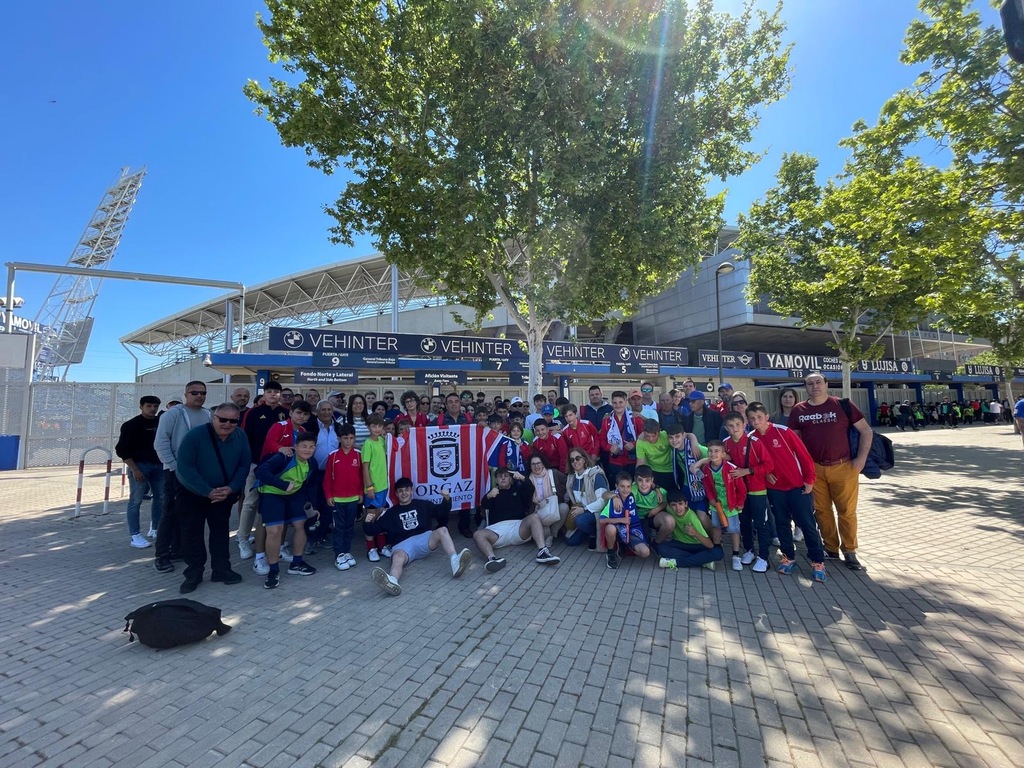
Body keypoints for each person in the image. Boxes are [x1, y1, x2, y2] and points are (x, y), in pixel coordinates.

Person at [788, 372, 871, 570]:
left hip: (844, 467)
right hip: (814, 469)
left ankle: (850, 550)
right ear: (805, 387)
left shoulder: (842, 405)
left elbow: (866, 431)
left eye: (818, 382)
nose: (814, 386)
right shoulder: (799, 410)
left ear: (826, 384)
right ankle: (831, 548)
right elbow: (795, 442)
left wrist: (861, 459)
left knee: (847, 512)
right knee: (822, 511)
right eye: (810, 383)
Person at [174, 402, 251, 593]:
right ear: (213, 418)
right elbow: (185, 467)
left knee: (220, 532)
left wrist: (232, 488)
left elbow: (244, 464)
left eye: (233, 420)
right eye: (223, 419)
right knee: (192, 534)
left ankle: (221, 569)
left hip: (223, 493)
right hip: (193, 493)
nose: (228, 424)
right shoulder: (195, 436)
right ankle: (194, 573)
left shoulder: (240, 436)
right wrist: (206, 490)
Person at [747, 402, 828, 583]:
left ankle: (818, 561)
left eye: (759, 417)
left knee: (807, 524)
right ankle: (788, 557)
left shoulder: (783, 431)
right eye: (752, 418)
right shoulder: (751, 438)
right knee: (782, 524)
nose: (756, 421)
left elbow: (804, 456)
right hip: (775, 490)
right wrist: (766, 474)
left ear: (767, 416)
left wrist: (809, 480)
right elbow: (754, 464)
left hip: (797, 486)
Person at [364, 479, 470, 596]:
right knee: (397, 557)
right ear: (396, 494)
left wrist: (447, 500)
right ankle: (392, 581)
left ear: (411, 491)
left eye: (406, 490)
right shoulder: (391, 513)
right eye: (400, 491)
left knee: (443, 530)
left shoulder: (422, 505)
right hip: (402, 546)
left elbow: (442, 511)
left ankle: (455, 561)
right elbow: (373, 530)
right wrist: (367, 522)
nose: (404, 493)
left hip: (423, 539)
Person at [153, 381, 211, 573]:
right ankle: (162, 555)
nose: (199, 396)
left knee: (191, 514)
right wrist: (174, 467)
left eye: (202, 393)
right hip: (175, 473)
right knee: (170, 513)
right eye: (195, 392)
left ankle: (179, 549)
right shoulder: (172, 415)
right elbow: (161, 443)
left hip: (199, 474)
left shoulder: (208, 415)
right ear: (186, 394)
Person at [254, 432, 319, 588]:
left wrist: (313, 507)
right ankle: (273, 570)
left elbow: (310, 486)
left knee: (301, 525)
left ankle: (296, 563)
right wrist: (282, 485)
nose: (308, 450)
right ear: (295, 447)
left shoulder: (312, 463)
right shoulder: (284, 457)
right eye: (304, 446)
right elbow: (261, 472)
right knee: (274, 531)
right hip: (272, 494)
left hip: (295, 495)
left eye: (311, 447)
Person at [237, 381, 290, 561]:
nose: (273, 394)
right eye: (269, 391)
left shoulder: (286, 413)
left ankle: (275, 542)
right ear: (264, 393)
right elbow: (244, 438)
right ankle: (242, 539)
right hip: (256, 464)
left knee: (274, 503)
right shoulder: (254, 412)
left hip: (279, 466)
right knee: (250, 502)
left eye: (276, 392)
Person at [474, 467, 560, 572]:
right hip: (497, 531)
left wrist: (523, 478)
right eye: (500, 476)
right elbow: (484, 506)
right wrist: (488, 496)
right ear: (496, 480)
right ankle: (492, 559)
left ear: (511, 479)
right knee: (478, 534)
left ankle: (543, 552)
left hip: (518, 528)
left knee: (534, 517)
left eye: (506, 476)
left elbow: (530, 489)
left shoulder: (518, 490)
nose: (503, 478)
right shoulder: (493, 493)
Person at [115, 395, 164, 548]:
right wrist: (135, 469)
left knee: (160, 498)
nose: (153, 409)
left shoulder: (161, 423)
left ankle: (155, 528)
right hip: (140, 466)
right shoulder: (131, 425)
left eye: (155, 406)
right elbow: (122, 450)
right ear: (141, 406)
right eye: (149, 406)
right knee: (136, 500)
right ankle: (135, 535)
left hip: (160, 466)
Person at [699, 439, 746, 571]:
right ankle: (716, 551)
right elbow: (707, 486)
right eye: (710, 451)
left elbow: (742, 489)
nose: (713, 454)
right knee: (716, 527)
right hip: (716, 506)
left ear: (723, 454)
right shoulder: (707, 468)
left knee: (734, 530)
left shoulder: (731, 469)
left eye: (717, 451)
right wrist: (711, 498)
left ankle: (736, 556)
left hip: (731, 506)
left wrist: (740, 503)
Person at [322, 424, 362, 572]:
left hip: (352, 499)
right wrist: (329, 495)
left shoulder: (358, 454)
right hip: (337, 499)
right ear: (339, 438)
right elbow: (327, 479)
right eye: (345, 438)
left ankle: (346, 551)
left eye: (351, 438)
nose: (348, 441)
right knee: (339, 528)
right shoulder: (333, 456)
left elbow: (361, 477)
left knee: (349, 527)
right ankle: (338, 554)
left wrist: (360, 493)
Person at [655, 490, 722, 570]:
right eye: (674, 505)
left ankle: (676, 562)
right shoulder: (669, 509)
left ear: (686, 504)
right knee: (661, 548)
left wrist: (695, 533)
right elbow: (663, 503)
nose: (678, 508)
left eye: (680, 504)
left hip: (696, 545)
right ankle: (702, 561)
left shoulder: (691, 518)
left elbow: (710, 545)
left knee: (718, 553)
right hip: (679, 543)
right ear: (669, 506)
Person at [599, 473, 652, 569]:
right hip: (617, 526)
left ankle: (624, 545)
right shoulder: (612, 498)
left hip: (632, 528)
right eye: (622, 486)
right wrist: (615, 497)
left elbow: (647, 485)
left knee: (645, 552)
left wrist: (657, 489)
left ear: (632, 487)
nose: (625, 489)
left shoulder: (634, 494)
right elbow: (602, 520)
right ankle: (611, 553)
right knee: (610, 528)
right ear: (616, 486)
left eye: (628, 486)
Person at [563, 449, 610, 549]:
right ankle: (587, 531)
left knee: (581, 521)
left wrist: (584, 509)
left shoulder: (596, 475)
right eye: (572, 460)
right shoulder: (572, 477)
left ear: (584, 459)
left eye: (578, 458)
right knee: (570, 541)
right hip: (581, 512)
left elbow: (602, 501)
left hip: (596, 512)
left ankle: (594, 534)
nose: (575, 462)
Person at [361, 414, 391, 561]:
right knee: (370, 517)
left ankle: (381, 546)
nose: (377, 429)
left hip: (384, 486)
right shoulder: (367, 444)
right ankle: (371, 548)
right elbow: (365, 467)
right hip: (373, 487)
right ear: (368, 427)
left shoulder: (382, 441)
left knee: (380, 518)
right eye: (374, 426)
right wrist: (369, 486)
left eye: (379, 426)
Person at [600, 390, 645, 479]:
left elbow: (644, 436)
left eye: (620, 402)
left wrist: (634, 444)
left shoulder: (635, 419)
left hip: (632, 460)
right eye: (615, 403)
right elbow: (602, 439)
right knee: (616, 488)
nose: (618, 405)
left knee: (631, 487)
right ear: (611, 403)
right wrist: (610, 448)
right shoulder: (606, 420)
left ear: (626, 402)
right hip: (615, 461)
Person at [527, 454, 568, 543]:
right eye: (533, 464)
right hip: (537, 510)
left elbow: (567, 482)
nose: (536, 466)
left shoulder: (553, 473)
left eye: (538, 463)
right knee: (545, 536)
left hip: (553, 508)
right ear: (530, 466)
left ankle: (553, 533)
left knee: (564, 507)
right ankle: (547, 534)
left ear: (543, 464)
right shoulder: (528, 479)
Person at [632, 465, 672, 545]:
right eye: (640, 480)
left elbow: (666, 502)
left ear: (652, 480)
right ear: (635, 480)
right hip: (636, 519)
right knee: (644, 545)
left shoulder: (661, 492)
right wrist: (615, 497)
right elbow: (614, 493)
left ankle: (656, 543)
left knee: (670, 521)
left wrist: (658, 508)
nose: (644, 484)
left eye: (647, 480)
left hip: (652, 517)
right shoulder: (632, 489)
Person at [635, 419, 674, 490]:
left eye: (653, 436)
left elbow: (684, 436)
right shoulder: (640, 442)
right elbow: (640, 463)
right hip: (652, 471)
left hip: (670, 469)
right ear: (643, 433)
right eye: (647, 436)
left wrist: (693, 441)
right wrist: (639, 478)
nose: (651, 439)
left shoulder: (665, 435)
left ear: (659, 432)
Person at [560, 403, 600, 470]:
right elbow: (569, 447)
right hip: (578, 461)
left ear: (576, 414)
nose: (568, 418)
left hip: (591, 457)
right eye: (566, 416)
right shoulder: (565, 431)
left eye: (570, 415)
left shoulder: (586, 424)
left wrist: (595, 453)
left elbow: (597, 438)